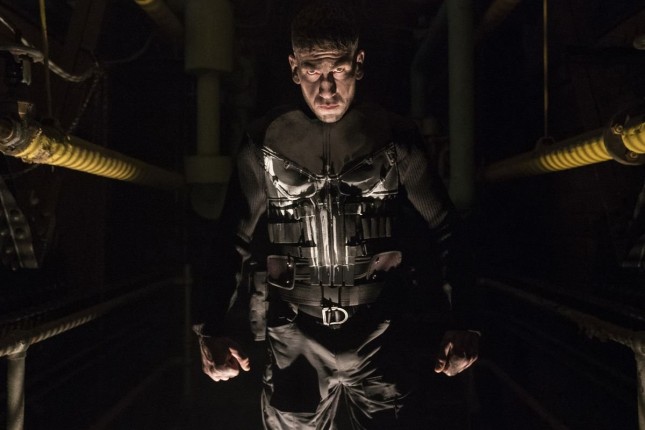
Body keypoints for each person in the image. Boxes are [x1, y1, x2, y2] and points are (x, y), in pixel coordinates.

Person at [193, 3, 480, 428]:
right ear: (294, 68)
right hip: (295, 334)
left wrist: (466, 321)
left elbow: (446, 229)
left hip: (380, 331)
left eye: (339, 70)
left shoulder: (395, 138)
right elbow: (230, 240)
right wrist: (209, 328)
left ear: (358, 64)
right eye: (313, 71)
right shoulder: (264, 142)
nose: (326, 88)